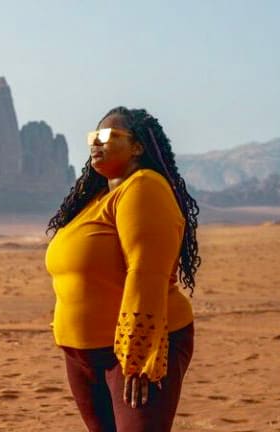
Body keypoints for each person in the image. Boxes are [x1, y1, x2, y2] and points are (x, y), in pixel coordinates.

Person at [44, 106, 201, 431]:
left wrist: (138, 358)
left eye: (107, 136)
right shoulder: (97, 199)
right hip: (84, 354)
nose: (95, 143)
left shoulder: (143, 186)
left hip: (132, 352)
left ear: (138, 146)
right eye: (93, 137)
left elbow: (147, 272)